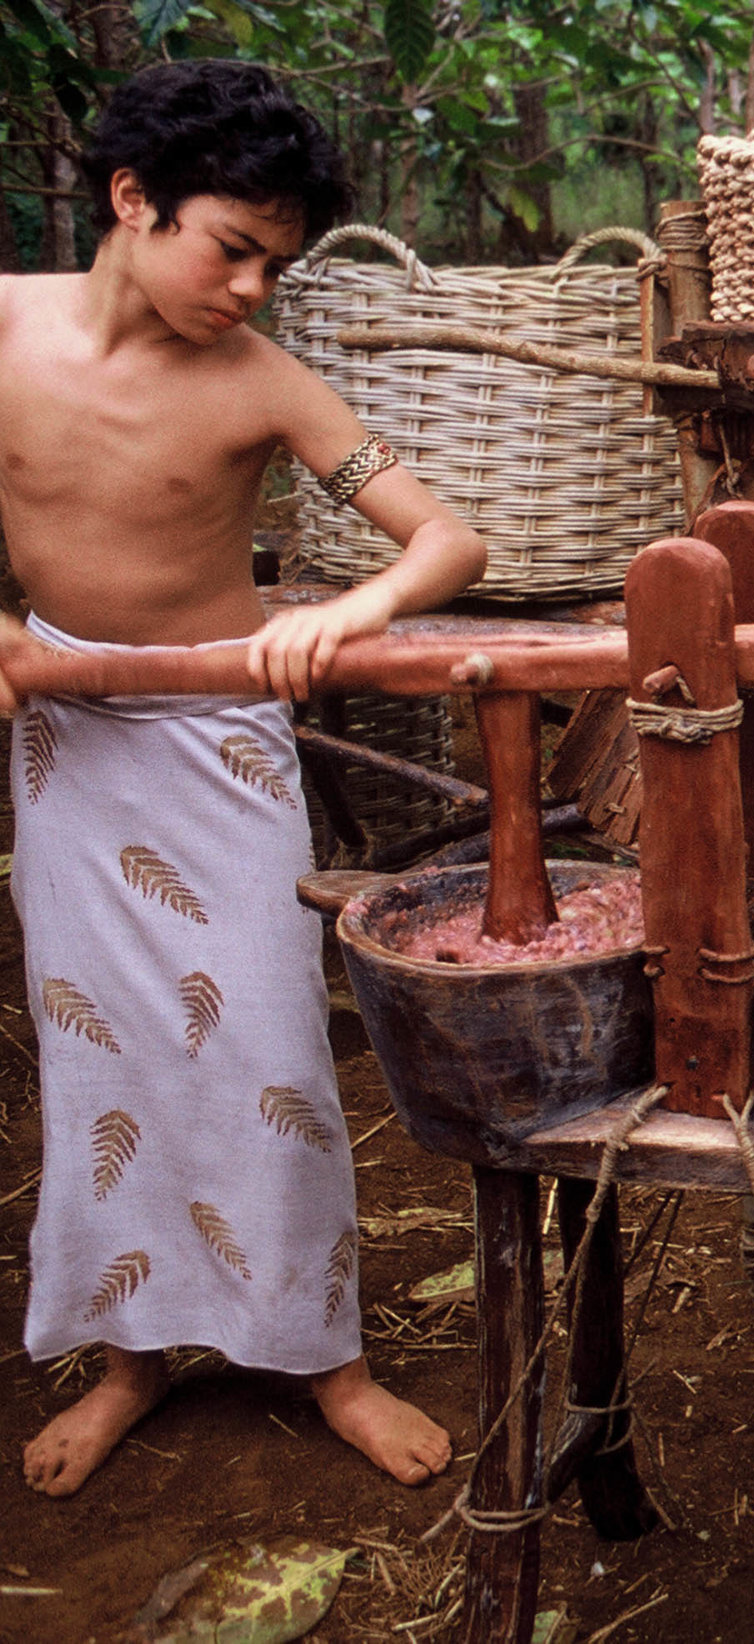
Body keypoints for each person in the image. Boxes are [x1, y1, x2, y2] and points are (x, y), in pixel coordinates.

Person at [0, 60, 486, 1494]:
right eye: (235, 247)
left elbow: (447, 540)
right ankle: (132, 1356)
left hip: (219, 744)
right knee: (101, 1051)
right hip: (66, 747)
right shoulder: (3, 332)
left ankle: (321, 1354)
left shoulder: (261, 382)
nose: (256, 287)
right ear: (133, 199)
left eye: (280, 262)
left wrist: (353, 607)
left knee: (271, 1048)